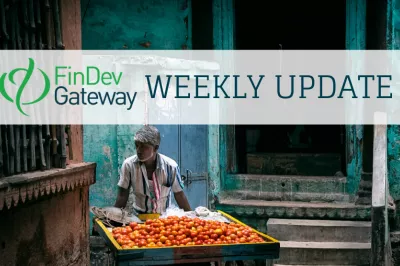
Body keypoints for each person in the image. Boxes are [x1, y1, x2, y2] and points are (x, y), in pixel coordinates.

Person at [114, 125, 192, 214]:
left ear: (155, 148)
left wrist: (191, 218)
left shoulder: (171, 166)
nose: (139, 150)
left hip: (164, 218)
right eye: (137, 145)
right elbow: (122, 195)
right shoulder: (128, 165)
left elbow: (179, 195)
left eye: (144, 147)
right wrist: (113, 218)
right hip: (139, 217)